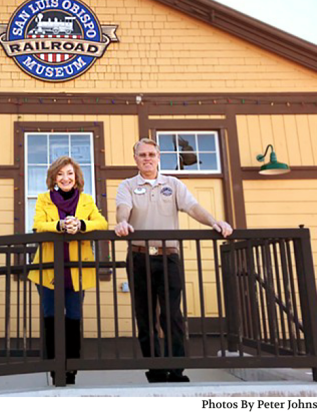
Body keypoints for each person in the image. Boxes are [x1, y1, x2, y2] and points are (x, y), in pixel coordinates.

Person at [114, 138, 232, 383]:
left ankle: (177, 369)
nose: (147, 158)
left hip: (168, 259)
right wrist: (122, 222)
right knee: (145, 316)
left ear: (159, 158)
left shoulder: (173, 184)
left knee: (171, 315)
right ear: (135, 159)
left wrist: (214, 222)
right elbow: (122, 209)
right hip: (138, 258)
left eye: (151, 154)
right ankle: (156, 371)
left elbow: (193, 207)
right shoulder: (127, 185)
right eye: (142, 155)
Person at [28, 156, 108, 385]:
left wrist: (81, 225)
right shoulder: (44, 199)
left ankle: (72, 368)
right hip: (48, 271)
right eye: (60, 174)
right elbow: (37, 225)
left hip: (77, 271)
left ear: (76, 178)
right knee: (51, 318)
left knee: (73, 318)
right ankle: (55, 368)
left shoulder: (86, 200)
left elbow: (101, 223)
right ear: (54, 178)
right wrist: (60, 226)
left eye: (70, 174)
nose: (65, 178)